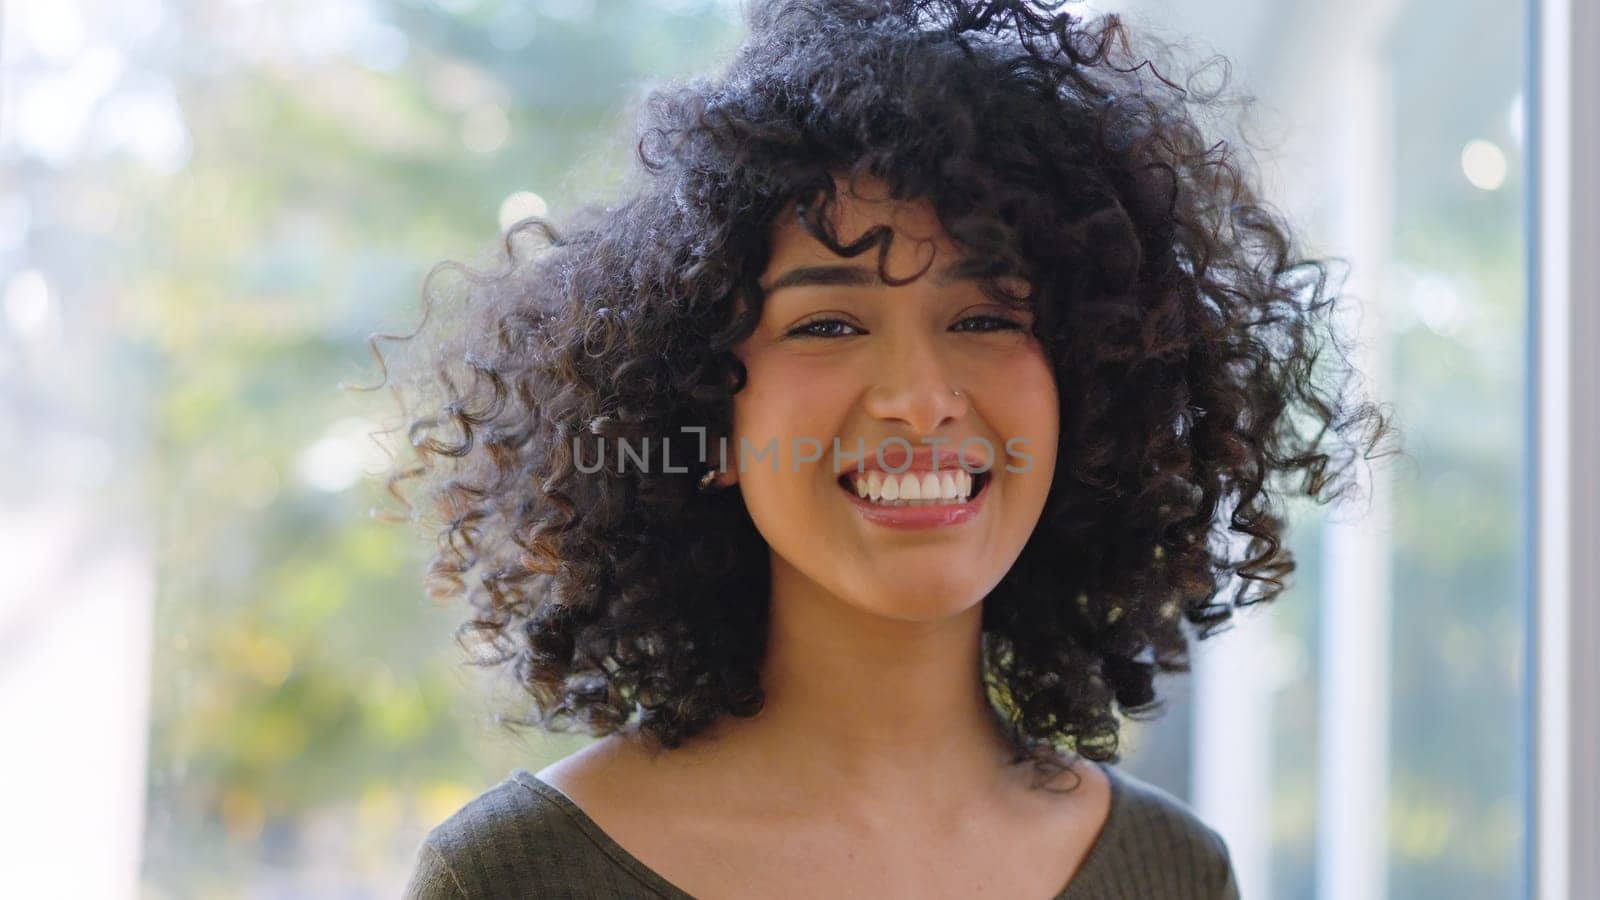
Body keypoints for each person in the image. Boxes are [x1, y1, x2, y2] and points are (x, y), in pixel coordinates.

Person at [384, 0, 1400, 896]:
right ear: (698, 414)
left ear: (1085, 392)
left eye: (989, 318)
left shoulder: (1170, 874)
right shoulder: (520, 880)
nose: (919, 402)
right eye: (827, 326)